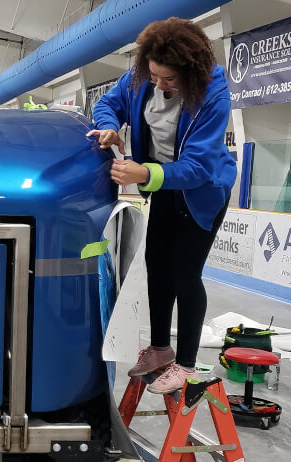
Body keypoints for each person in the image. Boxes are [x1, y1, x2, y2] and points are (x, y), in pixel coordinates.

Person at [87, 17, 236, 394]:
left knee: (186, 273)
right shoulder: (141, 77)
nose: (159, 85)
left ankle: (185, 364)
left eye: (169, 79)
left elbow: (199, 166)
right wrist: (108, 126)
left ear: (190, 73)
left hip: (202, 191)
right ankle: (159, 348)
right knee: (157, 266)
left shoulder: (214, 92)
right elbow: (108, 104)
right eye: (154, 76)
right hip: (165, 186)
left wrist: (144, 174)